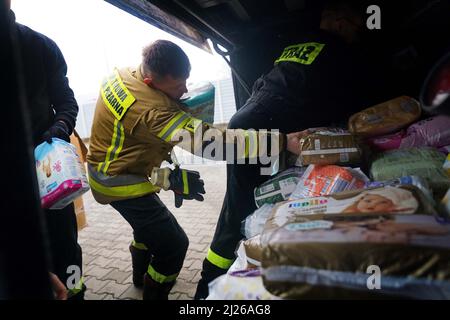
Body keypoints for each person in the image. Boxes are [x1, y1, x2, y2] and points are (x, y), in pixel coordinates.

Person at [195, 0, 389, 299]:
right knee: (241, 212)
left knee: (242, 204)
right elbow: (350, 110)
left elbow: (269, 88)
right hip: (263, 134)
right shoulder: (339, 53)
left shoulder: (297, 47)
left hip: (247, 125)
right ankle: (210, 291)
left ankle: (224, 274)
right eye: (354, 27)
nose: (356, 34)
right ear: (339, 22)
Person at [87, 39, 304, 300]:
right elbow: (213, 145)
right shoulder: (153, 112)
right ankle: (154, 292)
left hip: (116, 164)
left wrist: (166, 176)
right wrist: (281, 141)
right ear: (150, 82)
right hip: (116, 181)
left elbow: (136, 139)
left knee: (147, 229)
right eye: (178, 86)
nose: (184, 89)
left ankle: (138, 278)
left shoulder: (122, 74)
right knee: (173, 245)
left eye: (185, 81)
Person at [6, 1, 85, 299]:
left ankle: (77, 294)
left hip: (47, 176)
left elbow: (66, 101)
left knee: (68, 255)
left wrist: (60, 128)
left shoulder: (40, 45)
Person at [342, 187, 419, 214]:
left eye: (382, 202)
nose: (373, 205)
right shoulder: (349, 212)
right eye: (368, 201)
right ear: (359, 200)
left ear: (392, 206)